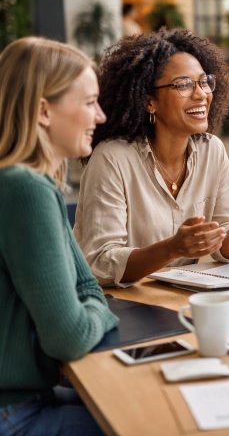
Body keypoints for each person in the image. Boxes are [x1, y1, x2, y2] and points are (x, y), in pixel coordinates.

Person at [75, 29, 229, 286]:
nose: (201, 94)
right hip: (121, 304)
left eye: (203, 81)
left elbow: (223, 250)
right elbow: (99, 263)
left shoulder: (212, 150)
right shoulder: (112, 158)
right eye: (183, 85)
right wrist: (173, 248)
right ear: (149, 102)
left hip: (176, 300)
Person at [0, 37, 118, 434]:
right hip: (15, 413)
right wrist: (100, 311)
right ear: (43, 111)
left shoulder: (28, 183)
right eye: (89, 102)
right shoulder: (24, 190)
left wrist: (91, 302)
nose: (100, 116)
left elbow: (86, 285)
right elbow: (70, 336)